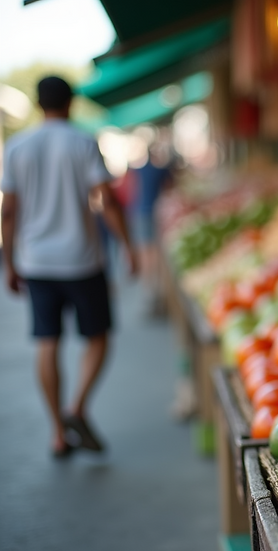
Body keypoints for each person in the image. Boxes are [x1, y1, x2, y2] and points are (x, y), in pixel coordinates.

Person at [0, 76, 138, 458]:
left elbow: (8, 210)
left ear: (37, 103)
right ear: (71, 103)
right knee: (97, 337)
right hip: (82, 260)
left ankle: (57, 433)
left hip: (36, 262)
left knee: (47, 341)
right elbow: (107, 201)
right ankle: (76, 405)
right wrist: (128, 246)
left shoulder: (17, 146)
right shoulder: (82, 142)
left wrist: (9, 262)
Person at [131, 141, 173, 315]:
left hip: (139, 212)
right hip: (154, 213)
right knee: (154, 253)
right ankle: (155, 292)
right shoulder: (159, 170)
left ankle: (149, 291)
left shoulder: (137, 170)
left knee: (145, 251)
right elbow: (170, 187)